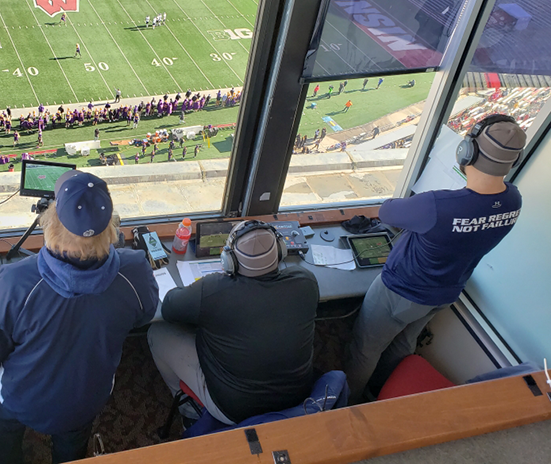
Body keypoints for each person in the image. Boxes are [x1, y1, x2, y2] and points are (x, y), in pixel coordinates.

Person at [0, 171, 158, 464]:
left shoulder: (16, 281)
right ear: (111, 227)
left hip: (20, 397)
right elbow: (144, 316)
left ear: (50, 223)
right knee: (73, 440)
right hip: (87, 398)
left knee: (5, 429)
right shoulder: (136, 270)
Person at [345, 115, 527, 403]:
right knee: (403, 344)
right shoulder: (513, 200)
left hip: (401, 291)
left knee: (365, 349)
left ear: (467, 152)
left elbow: (387, 211)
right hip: (445, 293)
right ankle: (379, 394)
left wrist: (438, 201)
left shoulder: (437, 205)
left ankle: (348, 404)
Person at [149, 220, 319, 425]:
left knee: (156, 332)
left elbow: (169, 308)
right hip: (297, 397)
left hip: (234, 409)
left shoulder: (213, 290)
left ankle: (189, 413)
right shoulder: (306, 281)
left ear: (229, 261)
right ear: (280, 250)